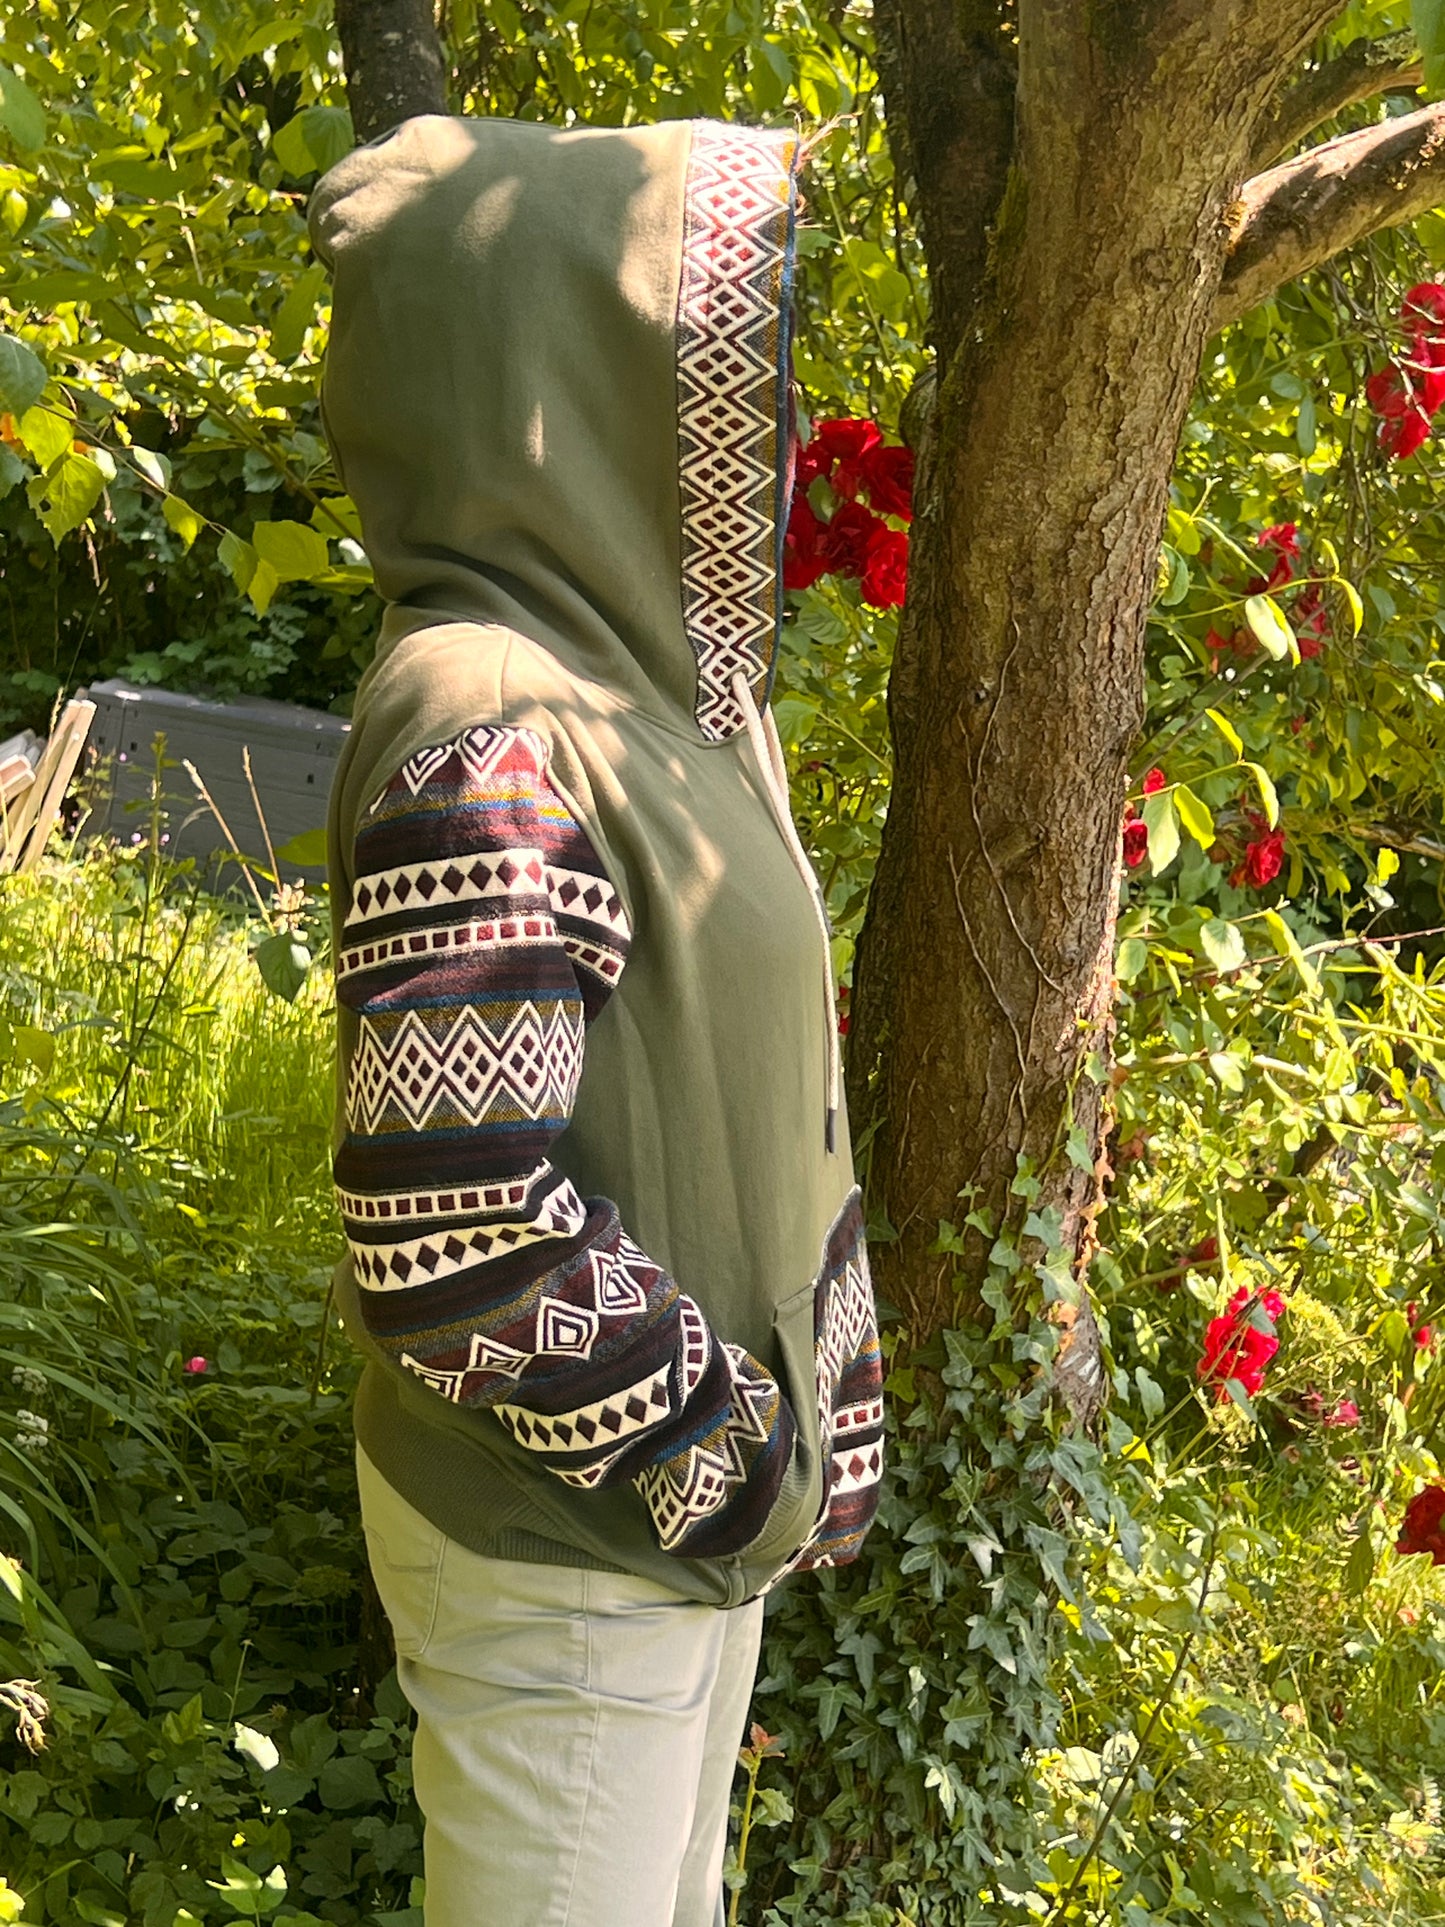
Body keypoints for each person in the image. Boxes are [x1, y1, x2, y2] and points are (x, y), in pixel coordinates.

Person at [308, 112, 884, 1927]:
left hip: (652, 1538)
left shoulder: (648, 703)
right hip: (577, 1558)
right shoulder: (494, 711)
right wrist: (737, 1460)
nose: (759, 420)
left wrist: (787, 1450)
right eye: (704, 356)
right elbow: (451, 1222)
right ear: (562, 382)